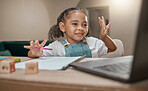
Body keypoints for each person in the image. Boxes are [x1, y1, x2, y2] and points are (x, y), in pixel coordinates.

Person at [24, 7, 117, 58]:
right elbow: (34, 54)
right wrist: (34, 53)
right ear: (62, 27)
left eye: (84, 25)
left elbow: (112, 48)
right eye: (75, 24)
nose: (80, 28)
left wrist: (104, 37)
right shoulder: (56, 47)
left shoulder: (93, 42)